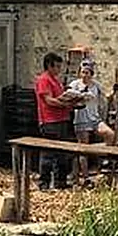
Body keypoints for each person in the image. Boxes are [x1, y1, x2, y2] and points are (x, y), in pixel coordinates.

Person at [65, 58, 117, 185]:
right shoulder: (75, 84)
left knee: (110, 134)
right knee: (84, 148)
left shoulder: (96, 85)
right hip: (81, 119)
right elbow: (67, 95)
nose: (85, 75)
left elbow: (106, 97)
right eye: (83, 72)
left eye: (87, 72)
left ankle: (105, 160)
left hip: (94, 118)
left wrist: (114, 92)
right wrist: (79, 96)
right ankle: (86, 176)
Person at [33, 52, 79, 189]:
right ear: (49, 65)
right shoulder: (44, 80)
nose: (59, 70)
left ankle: (60, 181)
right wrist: (64, 104)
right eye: (57, 67)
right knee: (49, 152)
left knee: (62, 153)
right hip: (50, 121)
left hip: (62, 119)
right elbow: (48, 100)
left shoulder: (56, 80)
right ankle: (44, 182)